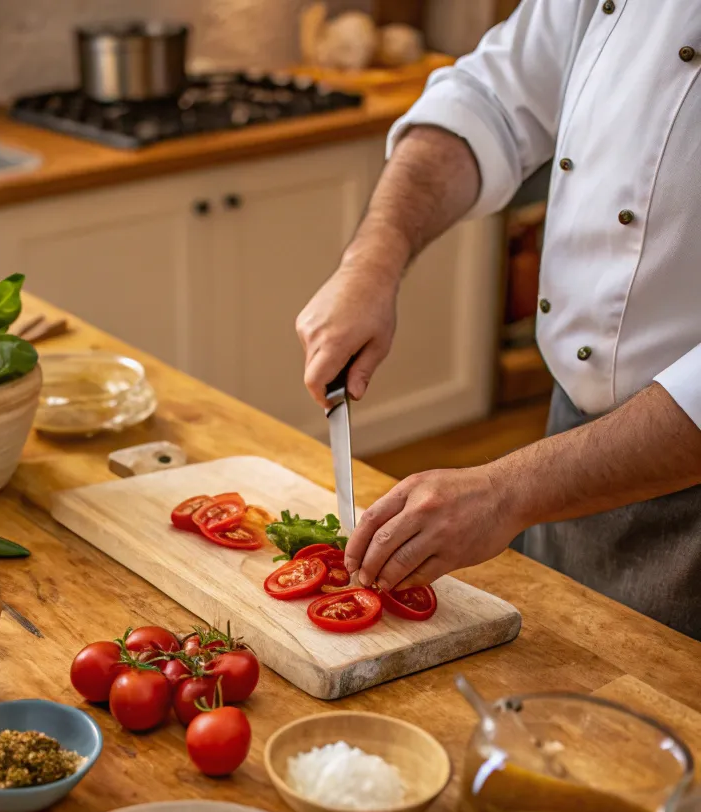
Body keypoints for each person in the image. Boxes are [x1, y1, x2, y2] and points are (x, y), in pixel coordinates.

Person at [295, 0, 701, 640]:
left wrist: (510, 491)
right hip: (571, 442)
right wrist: (372, 259)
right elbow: (488, 96)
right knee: (555, 695)